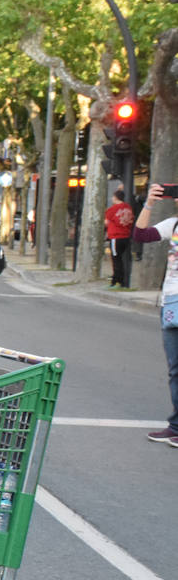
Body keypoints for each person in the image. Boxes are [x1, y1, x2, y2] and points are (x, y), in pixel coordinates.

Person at [132, 183, 178, 448]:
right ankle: (175, 426)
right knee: (175, 370)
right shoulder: (173, 225)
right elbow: (140, 234)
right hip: (172, 301)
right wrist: (149, 203)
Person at [105, 188, 135, 289]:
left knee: (116, 259)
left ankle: (116, 281)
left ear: (115, 197)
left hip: (115, 236)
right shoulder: (128, 208)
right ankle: (123, 281)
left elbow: (106, 222)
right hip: (126, 236)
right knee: (122, 258)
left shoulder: (112, 209)